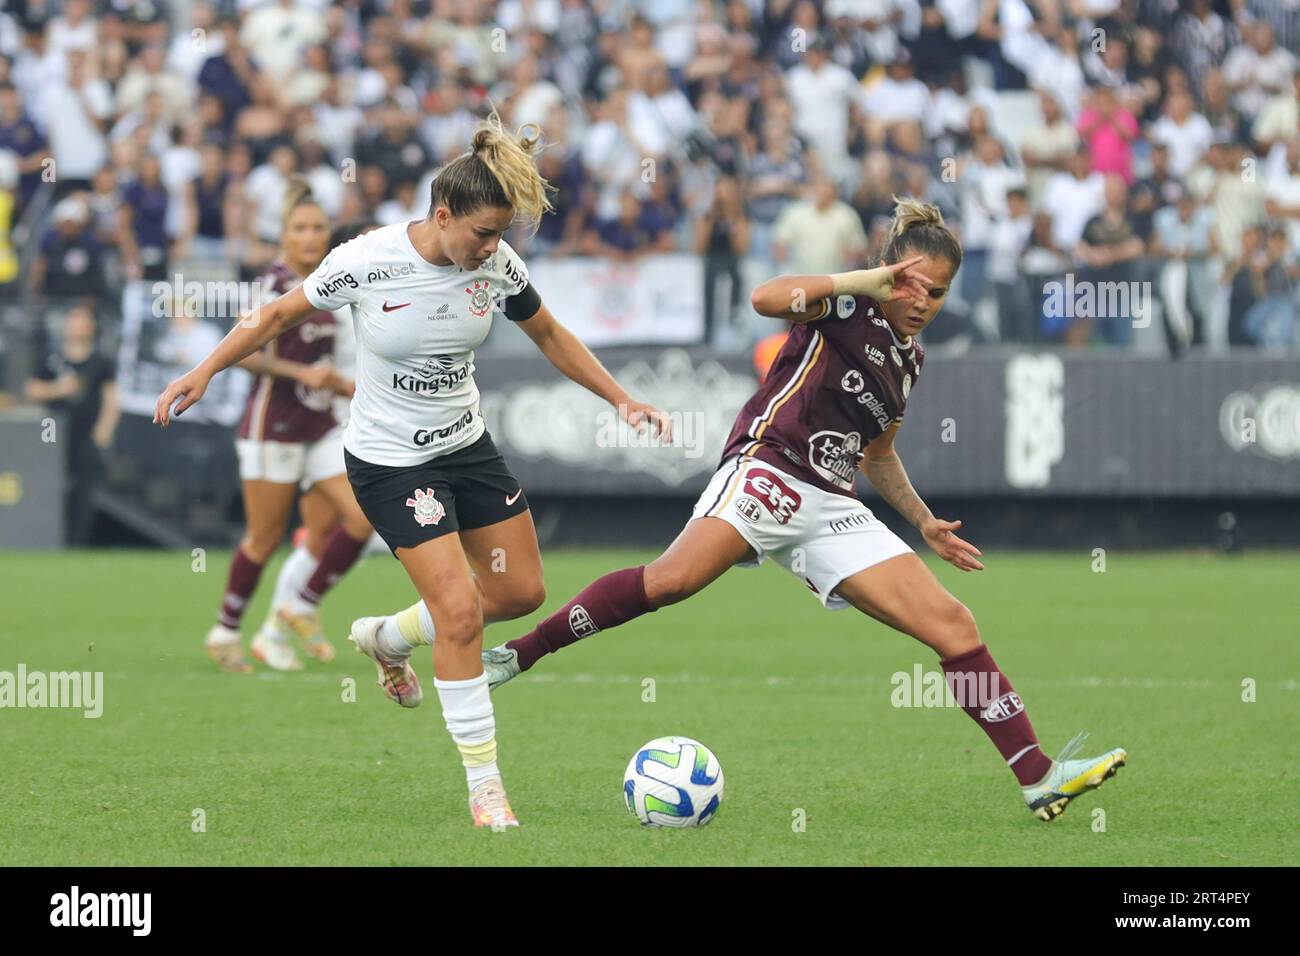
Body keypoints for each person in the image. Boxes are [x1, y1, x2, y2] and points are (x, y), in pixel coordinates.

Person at [482, 197, 1128, 823]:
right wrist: (866, 280)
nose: (920, 302)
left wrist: (923, 520)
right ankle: (522, 652)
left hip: (832, 503)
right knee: (672, 581)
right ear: (887, 274)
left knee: (953, 626)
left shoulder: (910, 358)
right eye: (910, 286)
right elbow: (766, 297)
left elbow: (877, 455)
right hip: (769, 466)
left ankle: (1039, 777)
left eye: (935, 293)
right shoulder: (846, 303)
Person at [153, 111, 671, 830]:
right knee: (460, 613)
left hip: (466, 447)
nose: (494, 248)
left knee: (520, 590)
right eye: (484, 233)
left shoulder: (495, 265)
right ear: (442, 214)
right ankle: (486, 789)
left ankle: (390, 637)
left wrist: (621, 397)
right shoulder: (368, 260)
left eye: (502, 236)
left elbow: (549, 331)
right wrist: (202, 371)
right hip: (391, 463)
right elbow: (272, 317)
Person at [200, 179, 371, 674]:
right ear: (284, 236)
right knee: (264, 538)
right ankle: (226, 630)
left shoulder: (330, 280)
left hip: (318, 424)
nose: (311, 235)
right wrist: (303, 373)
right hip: (271, 425)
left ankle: (302, 604)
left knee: (362, 517)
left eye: (318, 227)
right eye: (300, 227)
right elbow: (248, 355)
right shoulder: (272, 285)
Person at [24, 304, 119, 545]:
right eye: (74, 320)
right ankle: (51, 539)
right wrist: (59, 389)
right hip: (53, 437)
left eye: (83, 320)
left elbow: (111, 397)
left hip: (86, 434)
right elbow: (32, 389)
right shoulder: (52, 358)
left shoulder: (100, 360)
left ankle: (78, 544)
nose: (78, 326)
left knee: (84, 490)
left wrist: (104, 429)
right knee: (52, 487)